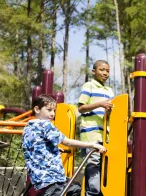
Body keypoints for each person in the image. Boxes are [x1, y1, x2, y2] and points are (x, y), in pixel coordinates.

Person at [22, 94, 106, 196]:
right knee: (73, 190)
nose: (52, 114)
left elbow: (34, 146)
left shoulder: (28, 127)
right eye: (49, 110)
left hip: (39, 178)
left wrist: (53, 148)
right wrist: (92, 144)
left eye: (54, 111)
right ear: (37, 109)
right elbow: (67, 142)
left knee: (75, 188)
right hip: (52, 177)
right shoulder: (45, 125)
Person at [78, 60, 114, 196]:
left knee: (103, 165)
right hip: (91, 133)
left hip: (105, 133)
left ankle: (99, 192)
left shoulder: (109, 91)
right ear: (94, 71)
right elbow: (81, 108)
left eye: (107, 71)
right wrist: (99, 104)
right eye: (102, 70)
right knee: (93, 162)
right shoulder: (89, 86)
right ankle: (92, 193)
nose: (105, 73)